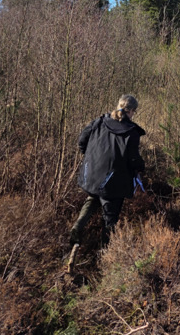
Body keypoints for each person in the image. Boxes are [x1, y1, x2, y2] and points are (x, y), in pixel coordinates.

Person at [66, 94, 145, 273]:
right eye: (134, 111)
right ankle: (104, 258)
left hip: (93, 175)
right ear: (131, 111)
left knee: (92, 198)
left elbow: (81, 141)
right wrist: (141, 167)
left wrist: (90, 158)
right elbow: (133, 159)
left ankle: (78, 226)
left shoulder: (100, 121)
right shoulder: (131, 132)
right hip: (113, 182)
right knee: (110, 218)